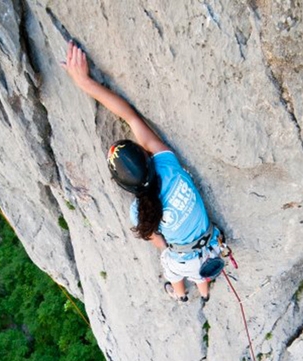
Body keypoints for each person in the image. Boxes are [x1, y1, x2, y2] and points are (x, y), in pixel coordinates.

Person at [63, 42, 227, 303]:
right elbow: (132, 119)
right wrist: (86, 82)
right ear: (147, 155)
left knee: (170, 264)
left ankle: (180, 294)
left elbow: (159, 242)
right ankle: (204, 292)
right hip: (212, 245)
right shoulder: (168, 165)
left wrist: (170, 245)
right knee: (200, 272)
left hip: (185, 258)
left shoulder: (139, 211)